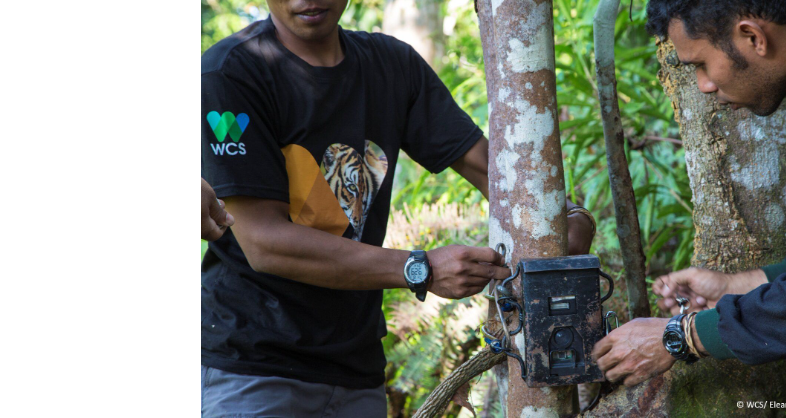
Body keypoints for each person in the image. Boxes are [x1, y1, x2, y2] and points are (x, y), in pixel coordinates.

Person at [200, 1, 595, 416]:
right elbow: (265, 243)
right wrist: (419, 268)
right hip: (252, 366)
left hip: (357, 370)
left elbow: (498, 176)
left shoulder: (391, 66)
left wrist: (567, 219)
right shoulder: (230, 74)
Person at [593, 0, 786, 387]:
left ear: (752, 36)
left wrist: (680, 337)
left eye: (701, 64)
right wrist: (736, 285)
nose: (704, 85)